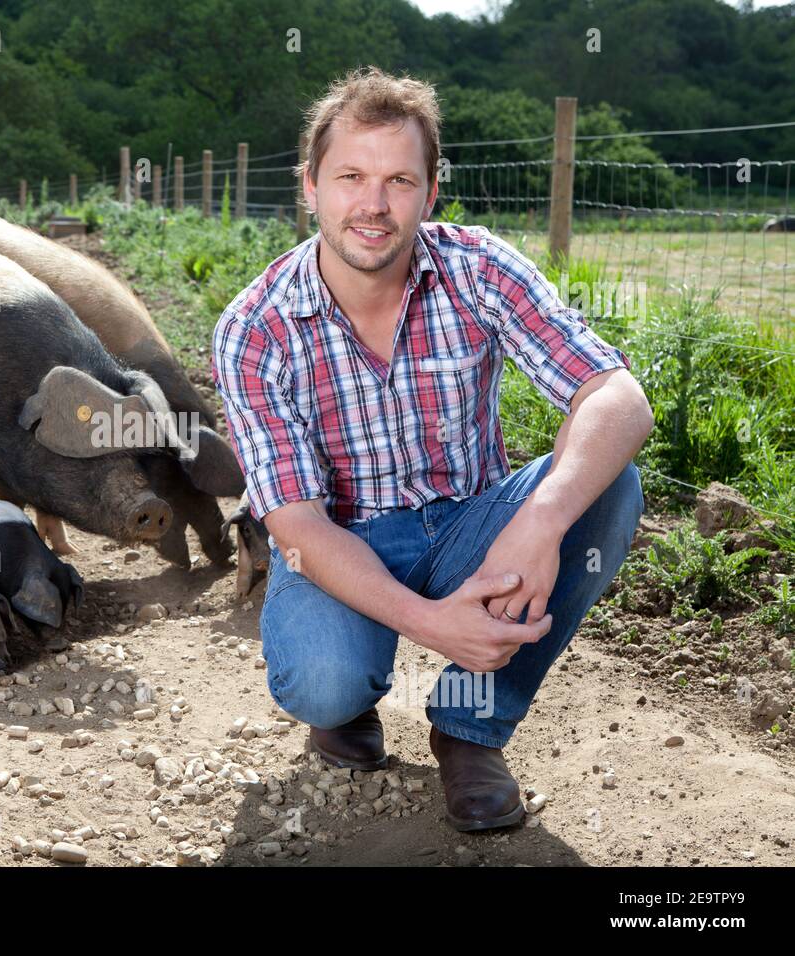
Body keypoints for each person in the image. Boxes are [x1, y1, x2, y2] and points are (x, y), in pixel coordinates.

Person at [210, 65, 653, 832]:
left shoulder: (477, 268)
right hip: (338, 539)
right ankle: (346, 704)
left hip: (469, 529)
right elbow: (297, 524)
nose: (374, 205)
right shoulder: (255, 328)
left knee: (609, 487)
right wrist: (431, 623)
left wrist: (540, 522)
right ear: (310, 186)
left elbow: (617, 398)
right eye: (351, 176)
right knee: (323, 680)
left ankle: (469, 725)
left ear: (431, 190)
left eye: (399, 180)